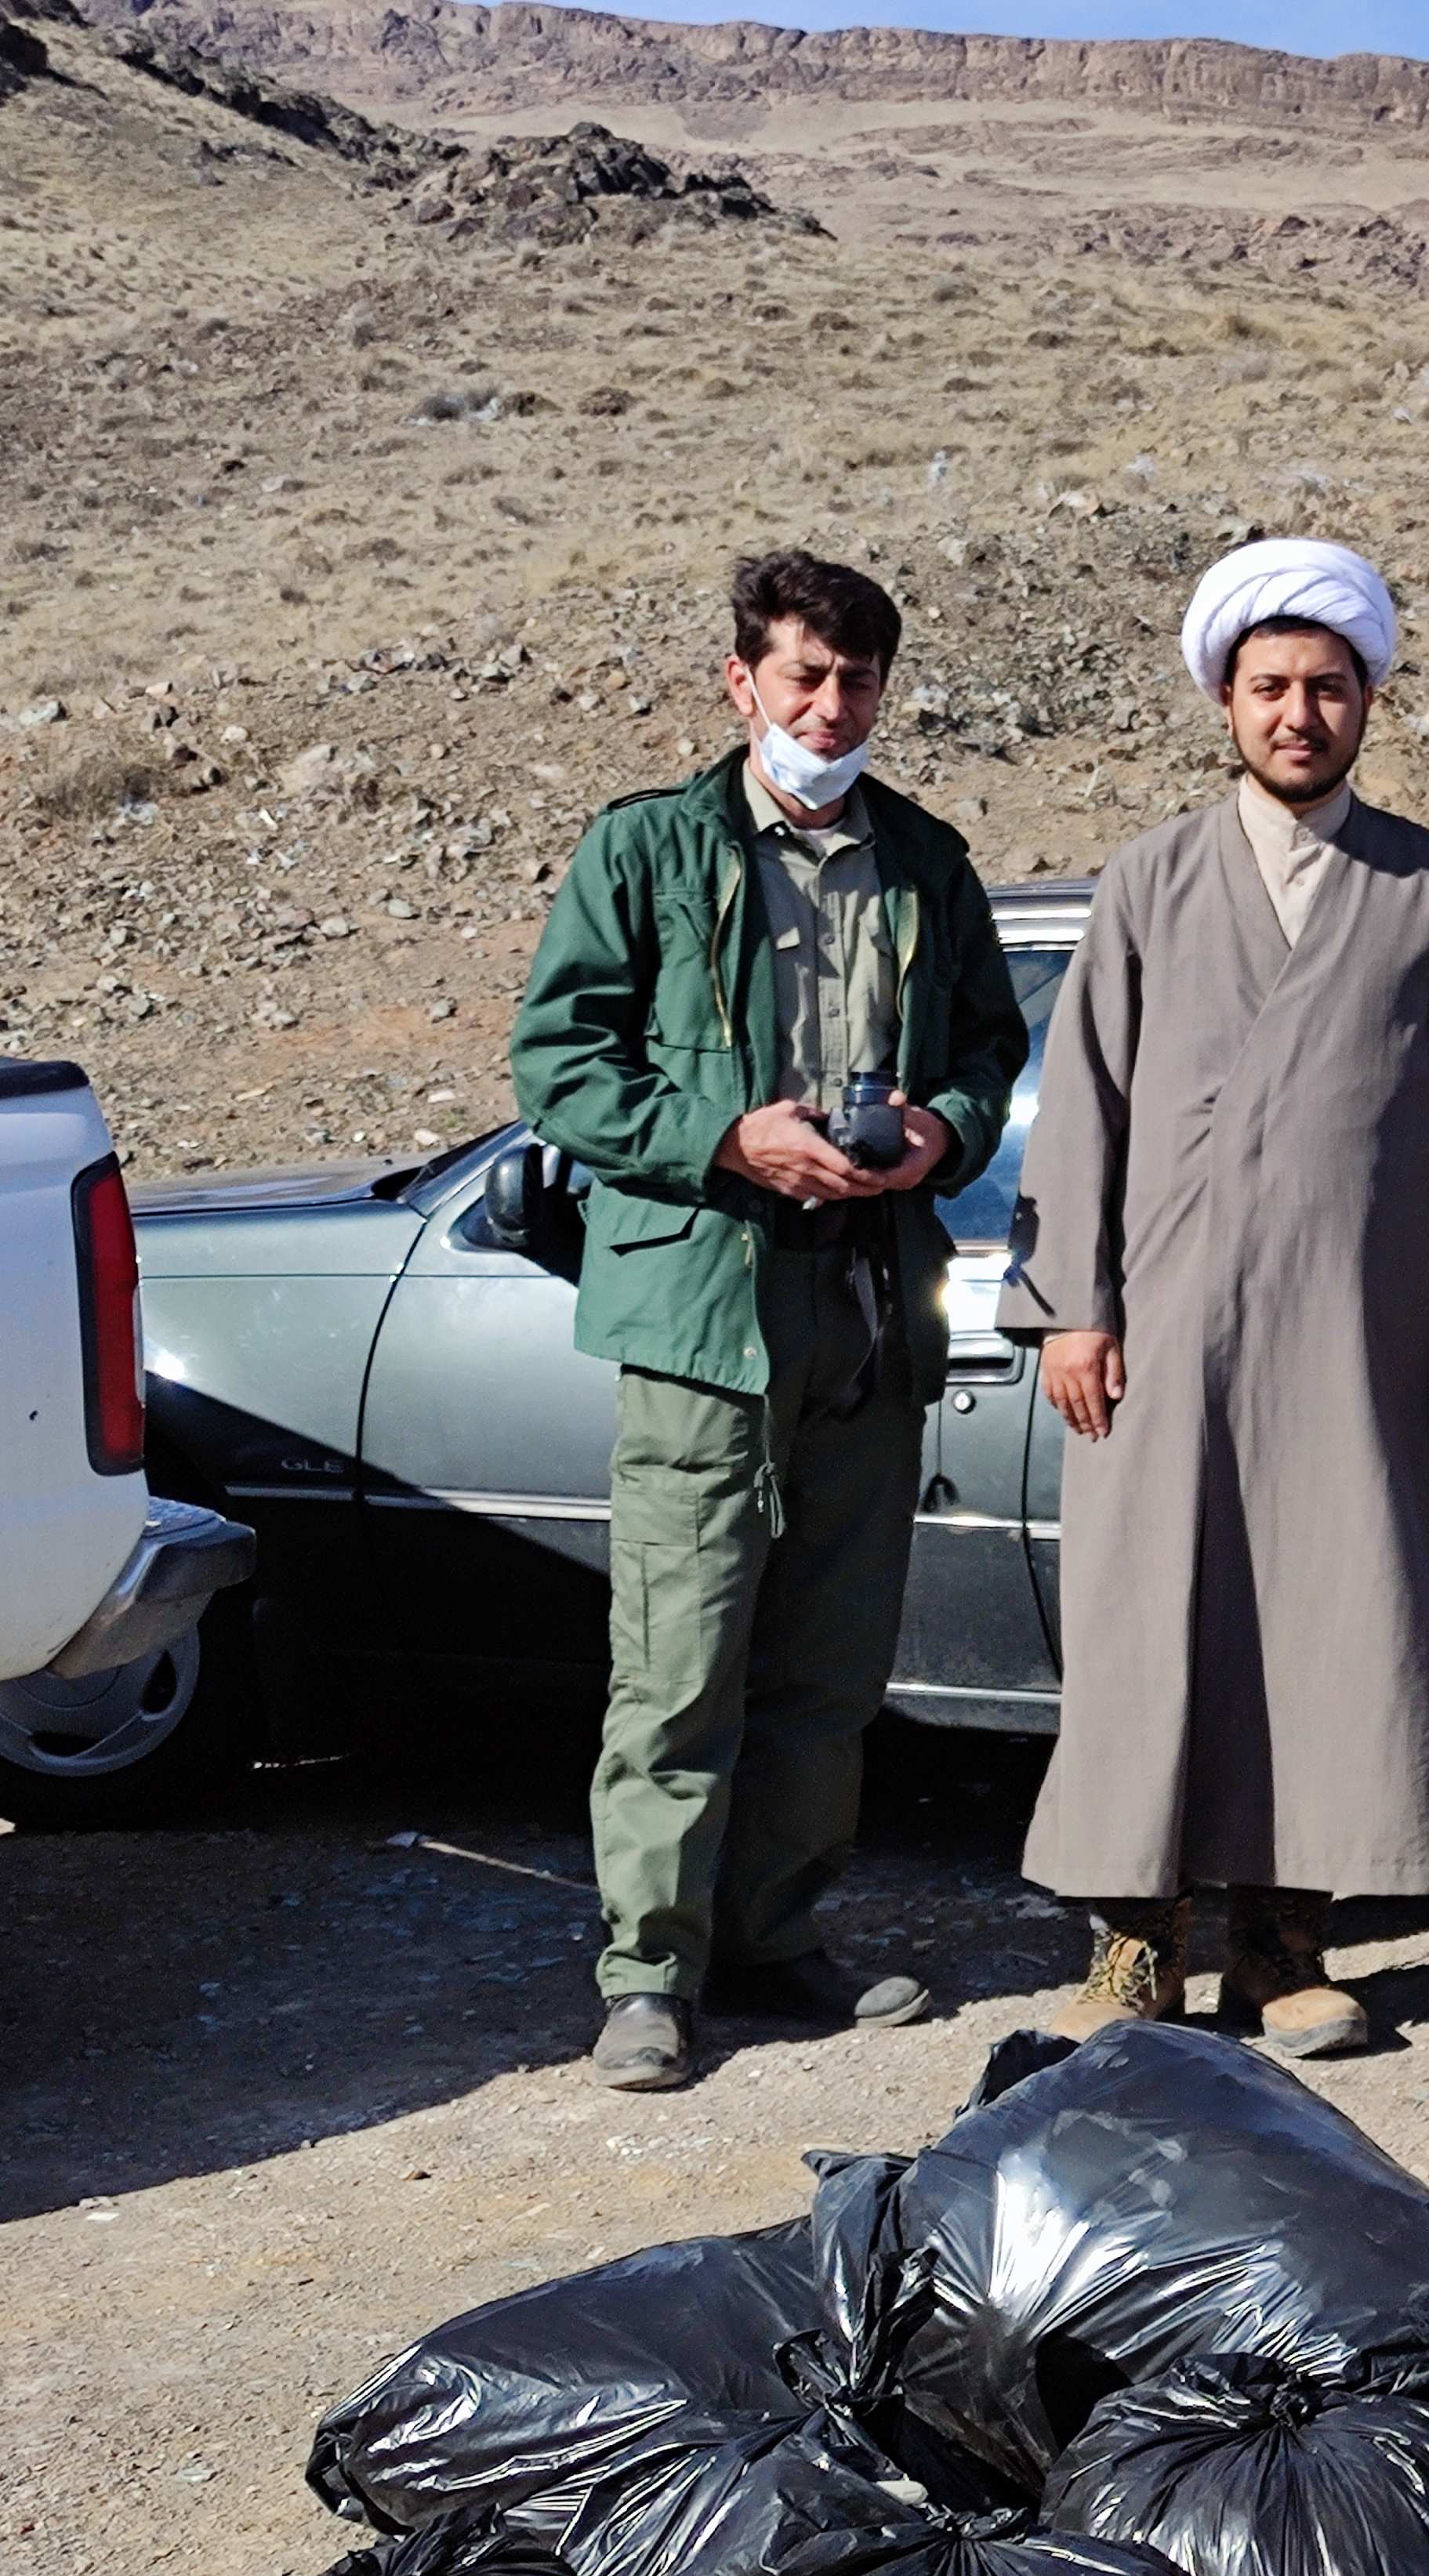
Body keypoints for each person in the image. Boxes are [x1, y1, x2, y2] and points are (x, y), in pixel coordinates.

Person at [1001, 537, 1429, 2056]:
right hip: (1159, 1332)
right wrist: (1071, 1303)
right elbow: (1081, 1108)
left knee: (1328, 1624)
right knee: (1146, 1625)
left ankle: (1281, 1949)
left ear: (1367, 698)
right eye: (1270, 685)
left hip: (1351, 1333)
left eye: (1326, 685)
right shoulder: (1151, 878)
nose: (1298, 711)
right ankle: (1131, 1954)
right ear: (1225, 700)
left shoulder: (1427, 888)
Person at [511, 550, 1029, 2091]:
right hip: (702, 1311)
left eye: (856, 680)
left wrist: (940, 1125)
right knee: (679, 1657)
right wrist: (731, 1137)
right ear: (741, 680)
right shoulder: (650, 850)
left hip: (867, 1303)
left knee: (830, 1657)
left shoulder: (927, 860)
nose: (829, 704)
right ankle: (650, 1971)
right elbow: (561, 1064)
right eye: (802, 675)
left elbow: (990, 1053)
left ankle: (778, 1936)